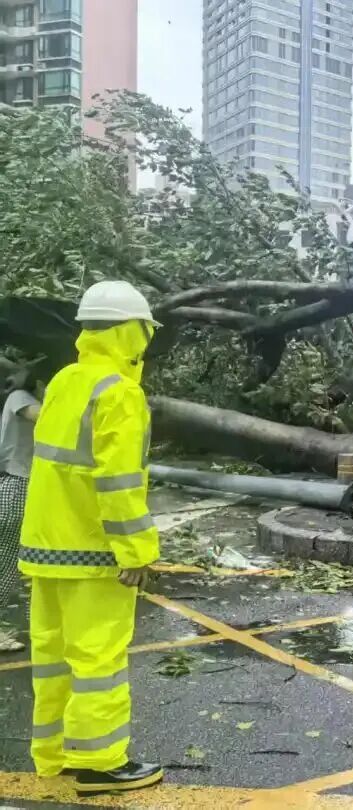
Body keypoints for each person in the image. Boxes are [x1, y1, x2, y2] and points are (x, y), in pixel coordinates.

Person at [18, 281, 163, 796]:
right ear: (133, 332)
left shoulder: (65, 381)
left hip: (45, 547)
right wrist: (137, 551)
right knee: (98, 659)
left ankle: (54, 754)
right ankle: (100, 764)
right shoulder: (119, 393)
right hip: (93, 551)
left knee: (53, 658)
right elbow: (118, 483)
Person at [0, 370, 44, 653]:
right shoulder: (20, 398)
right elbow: (44, 417)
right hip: (16, 485)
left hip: (24, 485)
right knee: (5, 564)